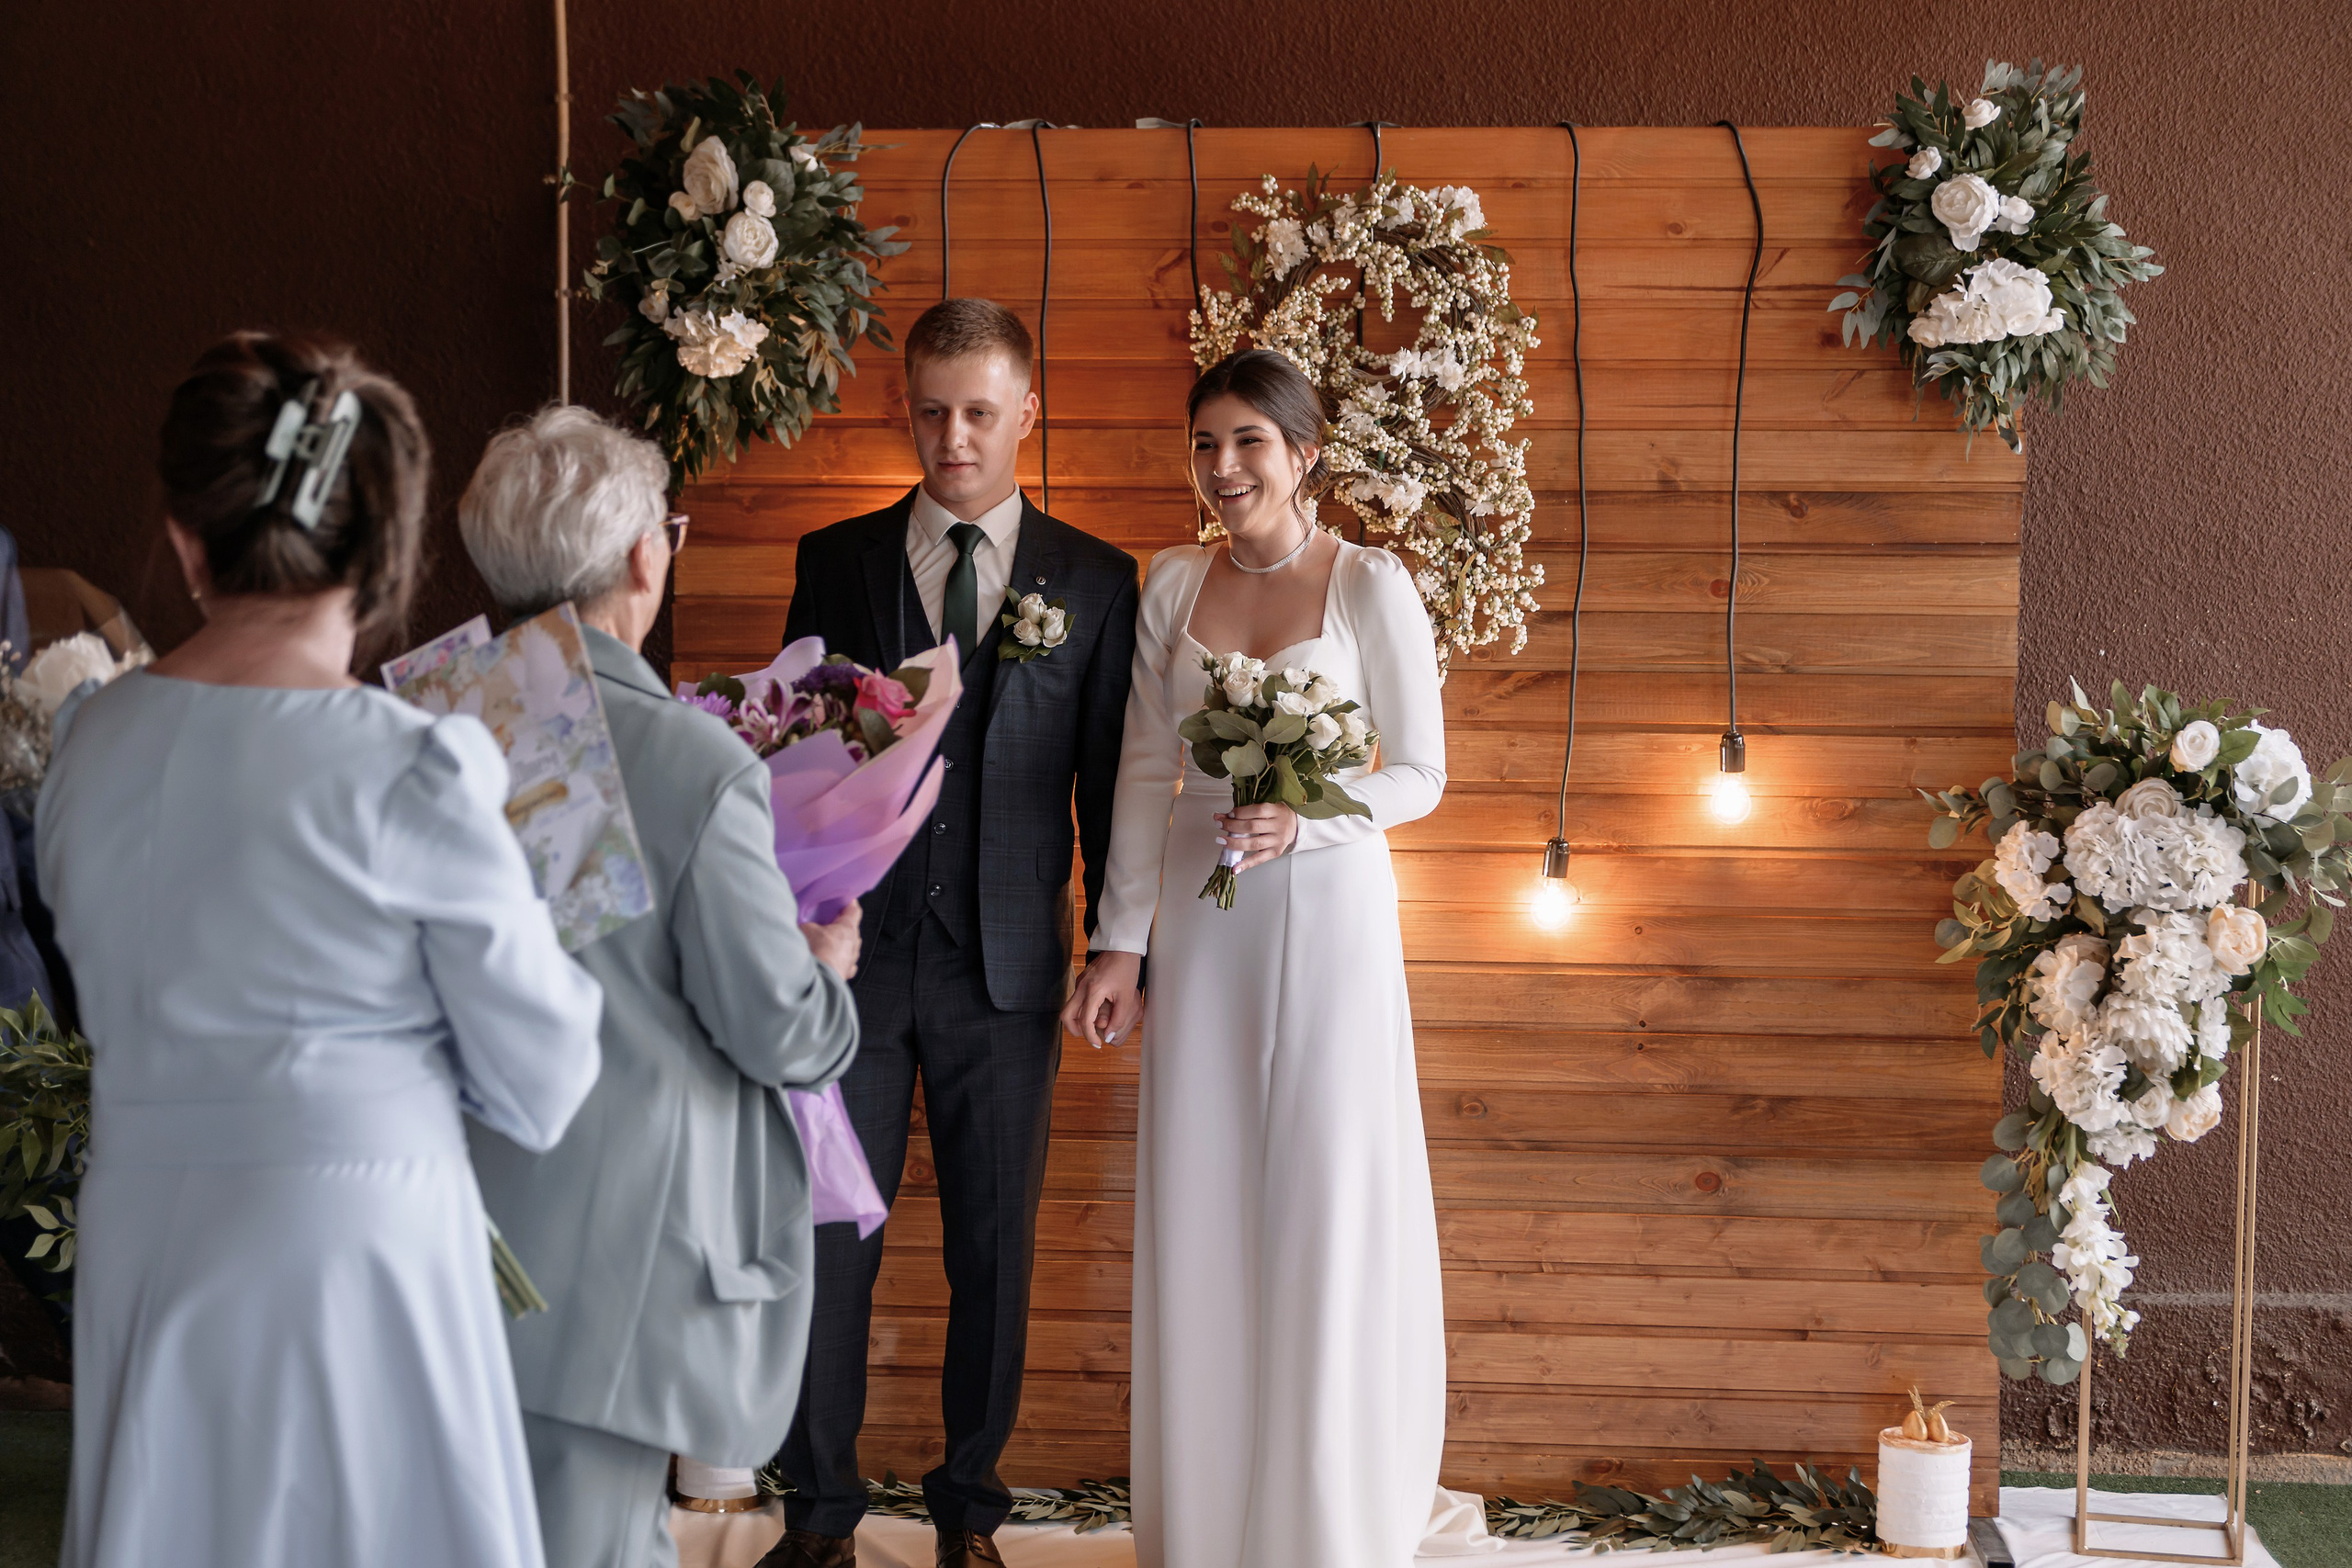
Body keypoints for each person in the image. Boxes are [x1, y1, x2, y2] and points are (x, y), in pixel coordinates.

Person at [39, 333, 605, 1568]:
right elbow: (544, 1077)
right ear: (380, 551)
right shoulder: (412, 762)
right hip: (360, 1247)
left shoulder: (90, 744)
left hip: (147, 1229)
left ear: (189, 539)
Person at [1062, 348, 1453, 1567]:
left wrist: (1311, 812)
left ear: (1304, 452)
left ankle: (1321, 1517)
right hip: (1207, 910)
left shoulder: (1368, 583)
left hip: (1328, 916)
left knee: (1320, 1192)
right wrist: (1120, 942)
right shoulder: (1172, 585)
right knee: (1207, 1184)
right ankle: (1209, 1509)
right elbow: (1140, 767)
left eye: (1248, 443)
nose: (1224, 467)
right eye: (1206, 446)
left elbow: (1422, 773)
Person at [764, 299, 1138, 1568]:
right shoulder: (837, 556)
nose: (955, 436)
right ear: (903, 408)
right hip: (854, 962)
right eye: (932, 409)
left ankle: (967, 1512)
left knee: (995, 1243)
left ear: (1028, 412)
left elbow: (1106, 776)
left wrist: (1114, 945)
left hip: (1012, 963)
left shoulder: (1096, 579)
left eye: (981, 410)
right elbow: (797, 756)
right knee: (831, 1236)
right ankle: (818, 1514)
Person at [458, 404, 865, 1568]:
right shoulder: (691, 760)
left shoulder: (440, 722)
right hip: (609, 1252)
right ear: (647, 553)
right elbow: (775, 1027)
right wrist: (822, 970)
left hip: (447, 1218)